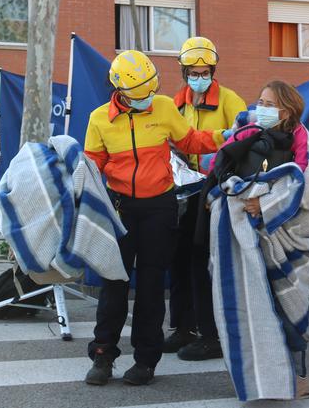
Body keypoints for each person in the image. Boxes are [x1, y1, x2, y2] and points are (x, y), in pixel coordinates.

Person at [83, 50, 227, 387]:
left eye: (151, 91)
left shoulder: (163, 107)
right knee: (114, 285)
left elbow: (190, 140)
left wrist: (228, 135)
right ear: (118, 89)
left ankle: (145, 362)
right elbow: (91, 166)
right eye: (139, 95)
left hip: (160, 208)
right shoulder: (99, 119)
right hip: (120, 210)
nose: (147, 99)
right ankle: (102, 355)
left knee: (150, 287)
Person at [207, 80, 309, 401]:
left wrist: (265, 203)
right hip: (246, 236)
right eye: (260, 101)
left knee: (289, 309)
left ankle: (299, 376)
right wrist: (237, 195)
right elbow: (220, 170)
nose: (260, 108)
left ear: (287, 110)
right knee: (249, 307)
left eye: (268, 104)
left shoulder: (302, 139)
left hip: (287, 241)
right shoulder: (245, 133)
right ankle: (258, 376)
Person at [165, 36, 246, 361]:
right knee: (179, 260)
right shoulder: (176, 104)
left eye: (204, 70)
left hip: (214, 193)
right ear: (184, 72)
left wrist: (221, 164)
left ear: (212, 69)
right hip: (183, 192)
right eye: (193, 71)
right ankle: (183, 327)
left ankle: (211, 335)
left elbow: (246, 139)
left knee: (203, 263)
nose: (199, 76)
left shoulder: (229, 100)